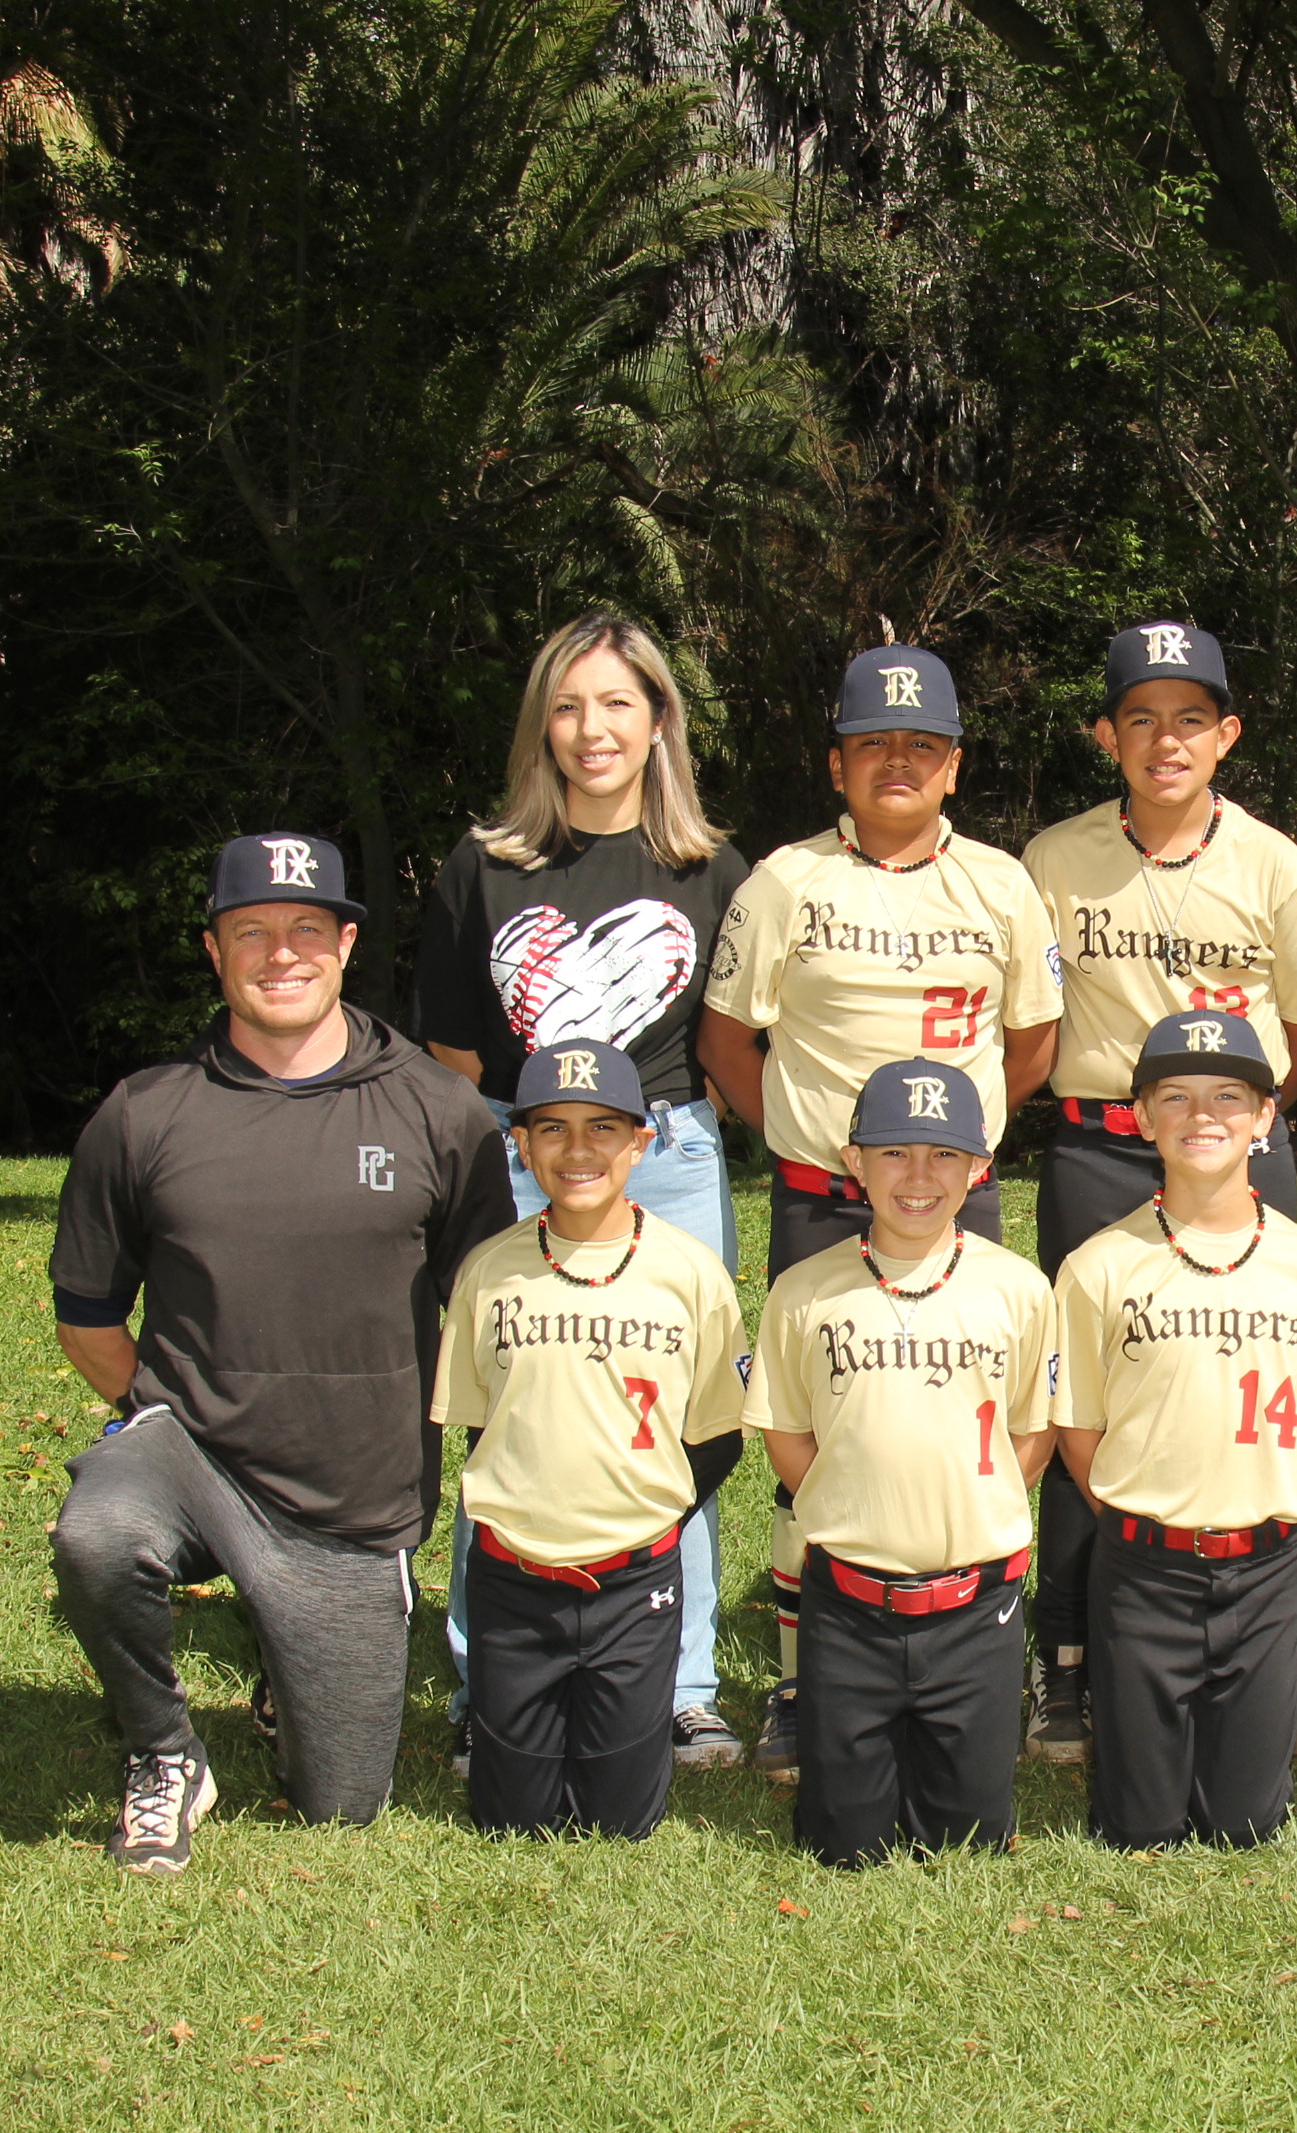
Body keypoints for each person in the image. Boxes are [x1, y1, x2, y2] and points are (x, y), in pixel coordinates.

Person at [48, 834, 513, 1873]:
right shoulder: (146, 1113)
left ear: (346, 944)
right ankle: (164, 1753)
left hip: (352, 1495)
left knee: (340, 1805)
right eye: (250, 930)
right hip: (192, 1454)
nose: (281, 952)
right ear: (214, 950)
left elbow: (485, 1311)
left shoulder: (437, 1111)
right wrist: (161, 1415)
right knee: (97, 1531)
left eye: (308, 927)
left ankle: (287, 1655)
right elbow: (86, 1315)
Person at [702, 644, 1063, 1779]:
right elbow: (727, 1041)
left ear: (953, 764)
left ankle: (962, 1652)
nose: (896, 762)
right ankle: (807, 1674)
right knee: (814, 1437)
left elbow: (1032, 1043)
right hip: (824, 1200)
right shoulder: (784, 882)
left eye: (920, 745)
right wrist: (812, 1144)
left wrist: (938, 1162)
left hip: (954, 1200)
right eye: (872, 744)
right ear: (837, 764)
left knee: (961, 1420)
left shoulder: (1002, 884)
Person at [417, 612, 752, 1773]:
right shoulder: (483, 867)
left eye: (616, 703)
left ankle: (682, 1686)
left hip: (667, 1156)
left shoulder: (713, 871)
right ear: (540, 727)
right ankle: (491, 1682)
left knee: (674, 1416)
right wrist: (509, 1153)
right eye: (567, 706)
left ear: (659, 719)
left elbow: (733, 1037)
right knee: (515, 1414)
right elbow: (455, 1054)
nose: (592, 728)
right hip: (520, 1156)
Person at [1020, 620, 1297, 1763]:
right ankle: (1070, 1651)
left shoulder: (1275, 865)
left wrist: (1233, 1129)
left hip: (1233, 1148)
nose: (1167, 741)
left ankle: (1248, 1638)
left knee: (1237, 1373)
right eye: (1143, 719)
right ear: (1106, 735)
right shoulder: (1053, 860)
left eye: (1191, 719)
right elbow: (1031, 1012)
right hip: (1099, 1147)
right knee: (1092, 1395)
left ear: (1227, 735)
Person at [1047, 1011, 1297, 1849]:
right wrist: (1143, 1520)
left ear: (1265, 1117)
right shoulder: (1098, 1267)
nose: (1202, 1115)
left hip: (1268, 1565)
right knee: (1138, 1826)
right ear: (1142, 1118)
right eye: (1175, 1097)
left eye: (1228, 1096)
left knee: (1245, 1824)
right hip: (1144, 1566)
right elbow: (1079, 1429)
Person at [741, 1058, 1057, 1867]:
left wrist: (973, 1502)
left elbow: (1033, 1432)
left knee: (968, 1843)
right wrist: (853, 1503)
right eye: (893, 1153)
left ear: (979, 1167)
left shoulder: (1019, 1290)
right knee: (842, 1845)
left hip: (974, 1605)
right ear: (854, 1161)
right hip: (849, 1604)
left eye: (944, 1154)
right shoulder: (806, 1292)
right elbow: (787, 1433)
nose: (919, 1177)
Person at [429, 1041, 747, 1836]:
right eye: (553, 1129)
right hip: (515, 1579)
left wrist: (640, 1517)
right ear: (520, 1143)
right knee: (511, 1818)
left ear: (640, 1142)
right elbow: (481, 1430)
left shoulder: (690, 1272)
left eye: (603, 1127)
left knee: (621, 1818)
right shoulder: (488, 1273)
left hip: (635, 1582)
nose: (578, 1150)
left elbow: (719, 1437)